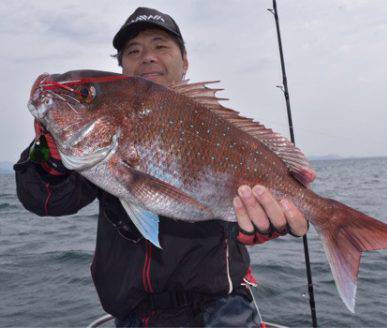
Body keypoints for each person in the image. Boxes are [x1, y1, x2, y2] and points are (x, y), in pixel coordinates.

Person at [15, 7, 308, 327]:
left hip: (224, 311)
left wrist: (256, 223)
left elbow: (224, 204)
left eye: (160, 46)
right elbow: (45, 200)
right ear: (122, 66)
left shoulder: (216, 126)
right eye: (133, 51)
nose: (147, 57)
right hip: (135, 317)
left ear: (185, 61)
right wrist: (49, 154)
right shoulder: (99, 138)